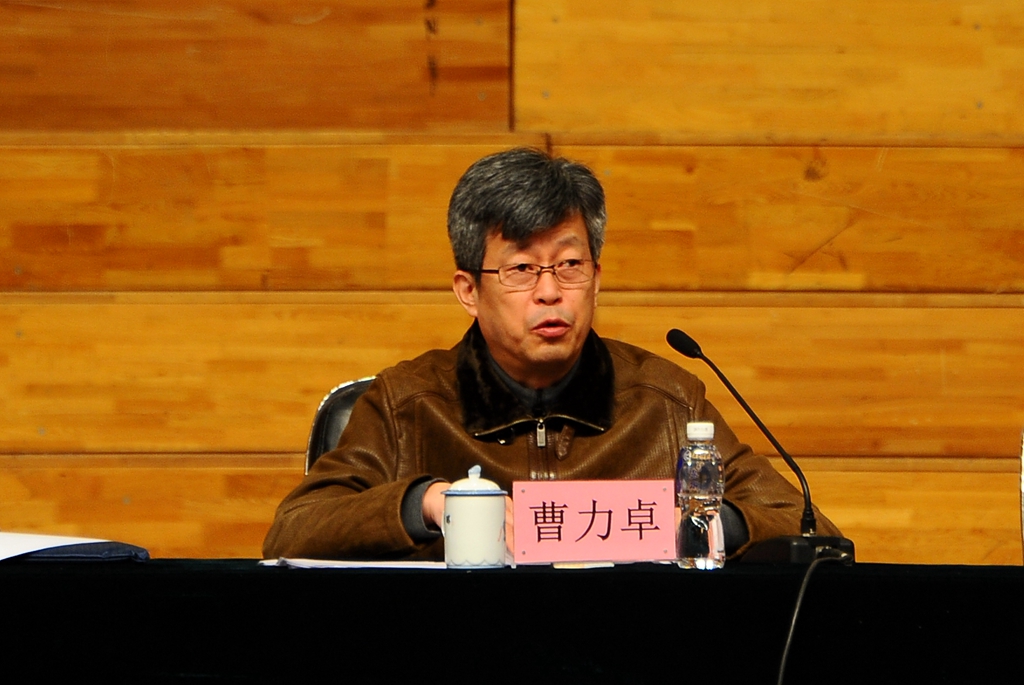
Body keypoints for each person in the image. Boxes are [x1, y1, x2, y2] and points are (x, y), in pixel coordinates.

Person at [263, 147, 840, 560]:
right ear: (469, 291)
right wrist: (429, 503)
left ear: (596, 278)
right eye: (521, 269)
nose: (550, 291)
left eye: (569, 264)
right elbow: (294, 529)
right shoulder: (408, 404)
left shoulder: (664, 401)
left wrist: (701, 527)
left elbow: (813, 532)